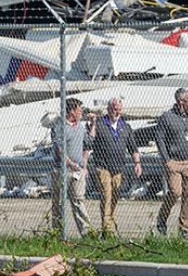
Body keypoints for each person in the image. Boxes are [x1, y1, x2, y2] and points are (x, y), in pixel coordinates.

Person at [89, 97, 141, 238]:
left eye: (118, 110)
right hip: (102, 166)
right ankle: (108, 230)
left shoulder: (125, 126)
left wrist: (137, 164)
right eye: (113, 109)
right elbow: (90, 139)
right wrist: (92, 124)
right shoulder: (100, 124)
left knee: (114, 197)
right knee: (106, 195)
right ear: (108, 109)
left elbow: (133, 148)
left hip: (118, 168)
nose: (116, 112)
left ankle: (109, 221)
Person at [155, 87, 188, 237]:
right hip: (173, 162)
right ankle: (162, 219)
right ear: (181, 101)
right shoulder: (167, 117)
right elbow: (159, 139)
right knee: (175, 192)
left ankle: (184, 228)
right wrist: (166, 160)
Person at [50, 97, 93, 237]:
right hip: (63, 170)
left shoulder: (80, 127)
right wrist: (69, 163)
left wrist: (93, 125)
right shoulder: (59, 126)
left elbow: (89, 143)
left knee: (78, 200)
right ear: (72, 111)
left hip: (78, 170)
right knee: (59, 203)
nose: (81, 113)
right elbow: (59, 149)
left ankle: (87, 233)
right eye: (79, 110)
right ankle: (58, 233)